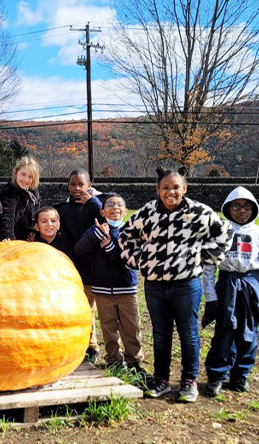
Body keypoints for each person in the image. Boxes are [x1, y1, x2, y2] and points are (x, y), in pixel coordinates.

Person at [118, 167, 230, 403]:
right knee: (160, 334)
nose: (171, 192)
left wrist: (202, 255)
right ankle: (161, 379)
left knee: (188, 333)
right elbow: (126, 236)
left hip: (186, 285)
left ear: (184, 189)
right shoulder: (147, 213)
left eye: (176, 187)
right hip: (155, 286)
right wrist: (139, 260)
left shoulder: (199, 212)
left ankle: (189, 381)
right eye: (166, 188)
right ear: (158, 190)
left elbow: (224, 234)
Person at [202, 186, 259, 396]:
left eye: (246, 206)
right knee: (225, 332)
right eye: (237, 206)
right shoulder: (219, 232)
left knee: (248, 332)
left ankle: (240, 375)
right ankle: (217, 375)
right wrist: (211, 295)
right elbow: (208, 266)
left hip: (251, 284)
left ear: (254, 209)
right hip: (227, 283)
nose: (242, 211)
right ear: (228, 208)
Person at [75, 194, 146, 377]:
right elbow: (79, 250)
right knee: (108, 328)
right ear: (102, 211)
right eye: (110, 204)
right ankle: (114, 360)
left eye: (119, 204)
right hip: (102, 289)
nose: (115, 207)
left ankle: (134, 362)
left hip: (126, 288)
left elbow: (133, 259)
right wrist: (96, 235)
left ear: (125, 210)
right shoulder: (95, 230)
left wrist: (110, 246)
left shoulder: (131, 232)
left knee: (131, 327)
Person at [55, 169, 103, 363]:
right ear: (68, 185)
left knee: (96, 310)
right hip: (73, 266)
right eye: (73, 184)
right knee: (81, 310)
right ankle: (83, 346)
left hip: (95, 267)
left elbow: (108, 219)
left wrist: (92, 202)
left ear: (89, 186)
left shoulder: (97, 206)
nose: (77, 188)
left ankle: (95, 348)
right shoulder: (62, 210)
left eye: (81, 184)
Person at [0, 156, 41, 242]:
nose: (26, 179)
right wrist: (9, 237)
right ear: (16, 173)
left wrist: (32, 232)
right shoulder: (9, 192)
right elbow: (7, 217)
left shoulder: (33, 193)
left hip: (27, 241)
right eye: (23, 174)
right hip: (12, 239)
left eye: (30, 177)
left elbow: (36, 216)